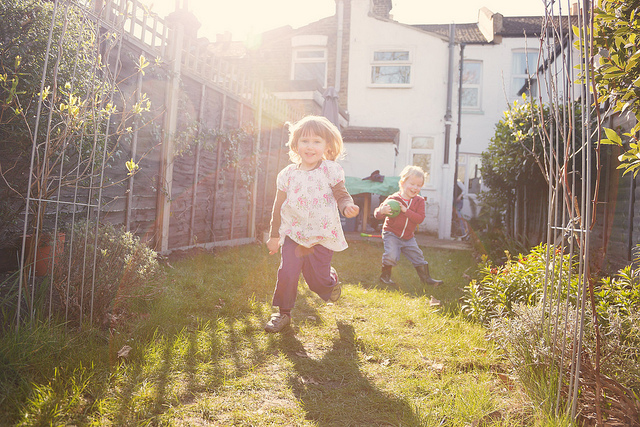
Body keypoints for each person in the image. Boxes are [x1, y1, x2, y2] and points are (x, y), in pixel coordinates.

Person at [265, 115, 360, 333]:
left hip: (322, 235)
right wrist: (274, 236)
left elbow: (341, 194)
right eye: (305, 141)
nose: (310, 147)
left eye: (317, 141)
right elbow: (278, 206)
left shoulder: (330, 170)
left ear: (327, 145)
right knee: (287, 271)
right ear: (296, 144)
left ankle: (331, 281)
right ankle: (282, 313)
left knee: (317, 282)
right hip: (294, 234)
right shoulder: (287, 175)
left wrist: (347, 206)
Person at [374, 165, 443, 287]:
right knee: (392, 255)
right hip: (392, 233)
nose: (415, 188)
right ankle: (385, 277)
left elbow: (420, 219)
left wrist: (406, 211)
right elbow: (377, 214)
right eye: (412, 184)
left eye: (419, 185)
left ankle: (426, 279)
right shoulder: (393, 199)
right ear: (402, 182)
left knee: (418, 256)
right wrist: (382, 211)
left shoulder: (419, 201)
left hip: (408, 237)